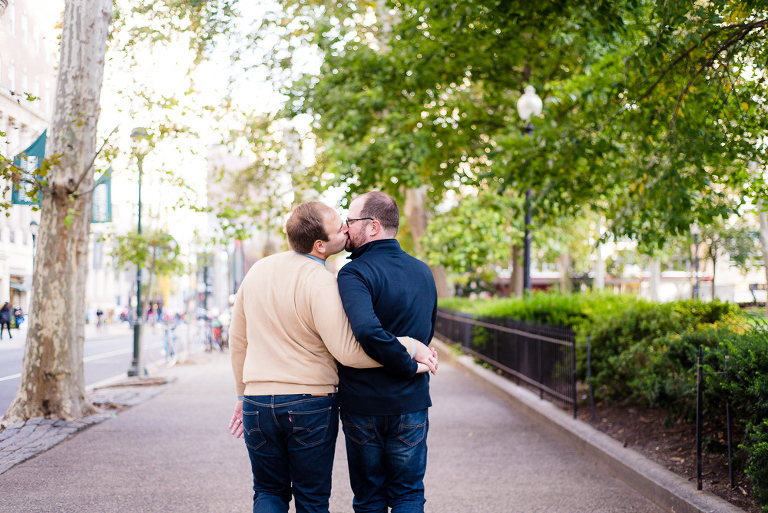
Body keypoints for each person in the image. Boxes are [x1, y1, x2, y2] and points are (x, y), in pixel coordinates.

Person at [228, 201, 437, 513]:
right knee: (313, 500)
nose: (346, 229)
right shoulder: (323, 281)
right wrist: (410, 349)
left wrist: (243, 394)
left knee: (268, 492)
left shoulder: (258, 270)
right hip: (309, 402)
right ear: (320, 244)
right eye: (341, 226)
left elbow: (237, 338)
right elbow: (349, 351)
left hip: (258, 402)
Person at [337, 191, 438, 513]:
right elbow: (426, 332)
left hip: (364, 403)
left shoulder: (353, 273)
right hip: (410, 401)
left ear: (373, 227)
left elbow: (366, 331)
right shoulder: (423, 271)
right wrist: (409, 365)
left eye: (350, 221)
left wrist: (407, 366)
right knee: (408, 495)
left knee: (370, 499)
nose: (345, 228)